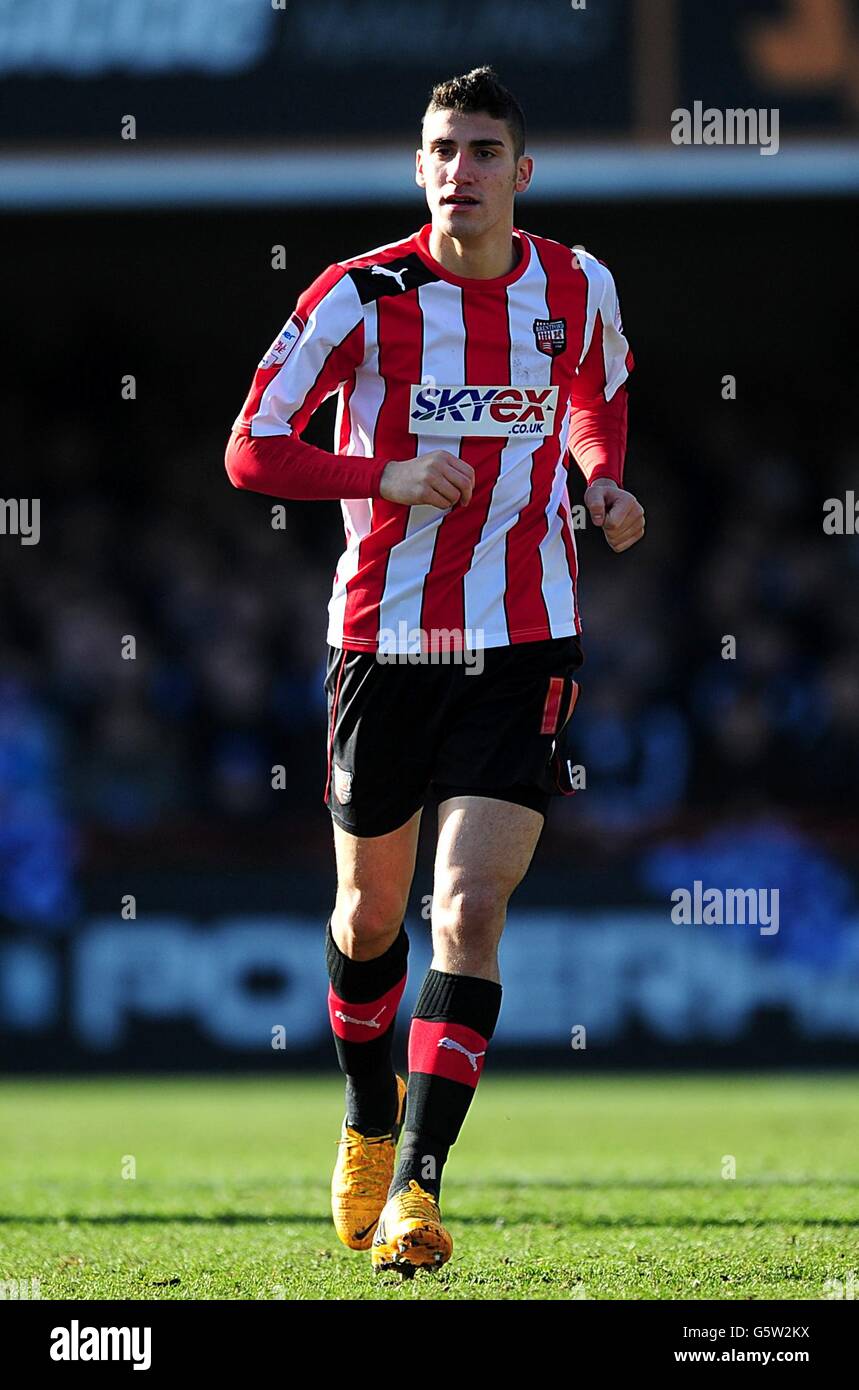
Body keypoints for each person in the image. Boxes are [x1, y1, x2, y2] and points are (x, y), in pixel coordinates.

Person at [225, 65, 645, 1277]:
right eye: (439, 150)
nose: (457, 170)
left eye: (480, 149)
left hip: (523, 643)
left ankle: (415, 1187)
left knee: (467, 906)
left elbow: (596, 393)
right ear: (419, 170)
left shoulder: (575, 286)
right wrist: (381, 477)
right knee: (369, 917)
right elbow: (251, 451)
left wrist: (598, 477)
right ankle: (365, 1115)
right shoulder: (357, 298)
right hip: (384, 643)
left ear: (523, 172)